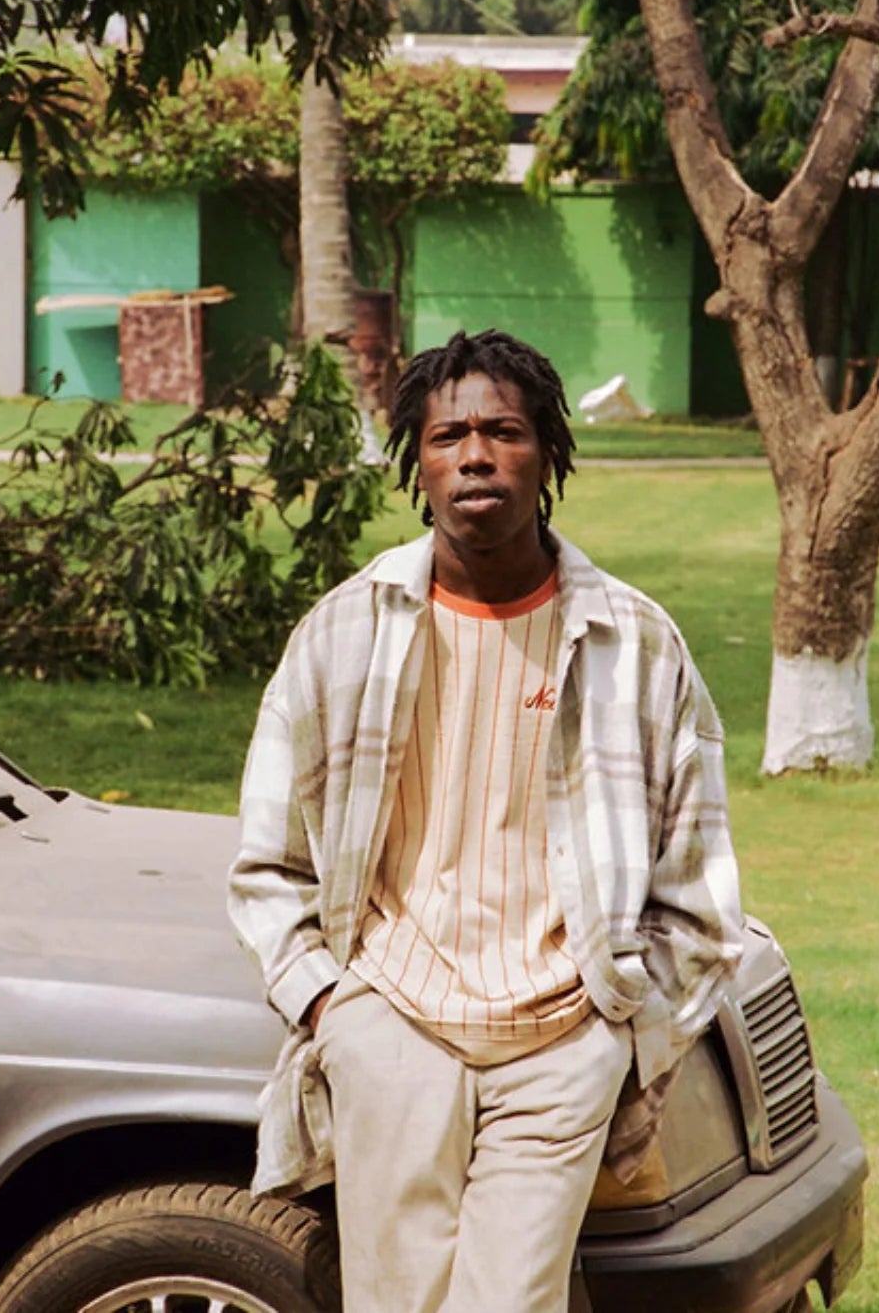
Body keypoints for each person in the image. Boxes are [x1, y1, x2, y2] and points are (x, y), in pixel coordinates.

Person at [228, 329, 743, 1312]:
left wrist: (622, 1036)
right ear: (416, 463)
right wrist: (333, 1008)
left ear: (547, 452)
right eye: (447, 435)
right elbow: (268, 864)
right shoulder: (345, 632)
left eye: (503, 432)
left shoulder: (634, 643)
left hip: (561, 1034)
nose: (474, 454)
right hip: (393, 1023)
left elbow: (699, 879)